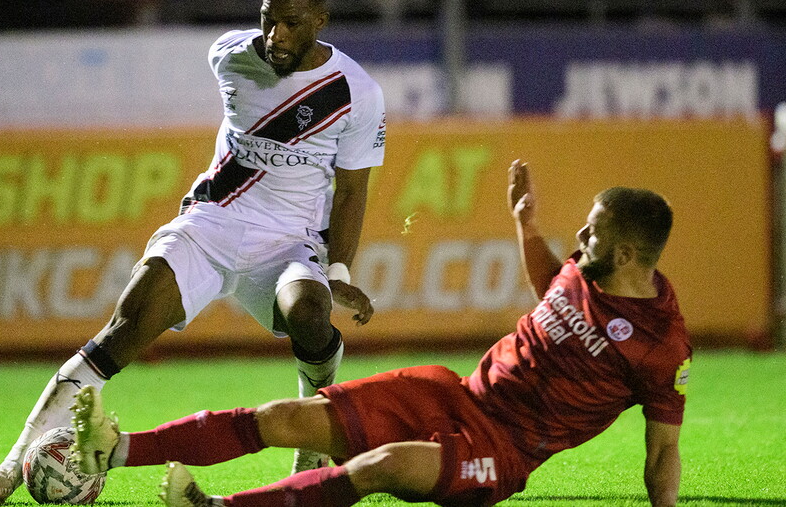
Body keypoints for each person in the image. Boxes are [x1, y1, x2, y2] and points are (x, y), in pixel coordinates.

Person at [0, 0, 385, 503]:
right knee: (125, 326)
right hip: (211, 223)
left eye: (291, 24)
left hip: (290, 240)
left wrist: (337, 272)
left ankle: (314, 438)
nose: (275, 35)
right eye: (268, 19)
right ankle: (6, 471)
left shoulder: (356, 92)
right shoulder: (230, 55)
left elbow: (351, 194)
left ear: (320, 22)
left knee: (308, 313)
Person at [68, 159, 692, 507]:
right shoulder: (582, 275)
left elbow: (663, 451)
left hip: (505, 451)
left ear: (631, 252)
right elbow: (552, 282)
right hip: (455, 394)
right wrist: (526, 226)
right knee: (286, 416)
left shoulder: (660, 342)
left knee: (381, 465)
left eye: (594, 234)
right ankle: (116, 449)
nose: (582, 241)